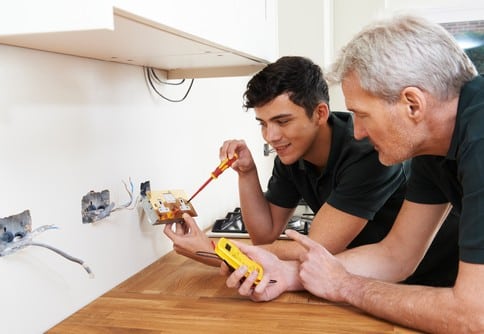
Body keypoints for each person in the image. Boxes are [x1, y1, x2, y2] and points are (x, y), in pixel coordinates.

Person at [223, 15, 484, 333]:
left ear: (412, 104)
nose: (357, 131)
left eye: (362, 114)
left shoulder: (479, 138)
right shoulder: (432, 144)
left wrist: (346, 286)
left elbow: (473, 315)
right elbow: (396, 254)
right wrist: (292, 274)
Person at [165, 55, 458, 287]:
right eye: (263, 123)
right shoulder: (292, 156)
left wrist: (213, 250)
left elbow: (315, 248)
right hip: (374, 273)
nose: (271, 136)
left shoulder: (367, 152)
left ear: (319, 113)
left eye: (282, 121)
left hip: (438, 277)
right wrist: (247, 173)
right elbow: (264, 234)